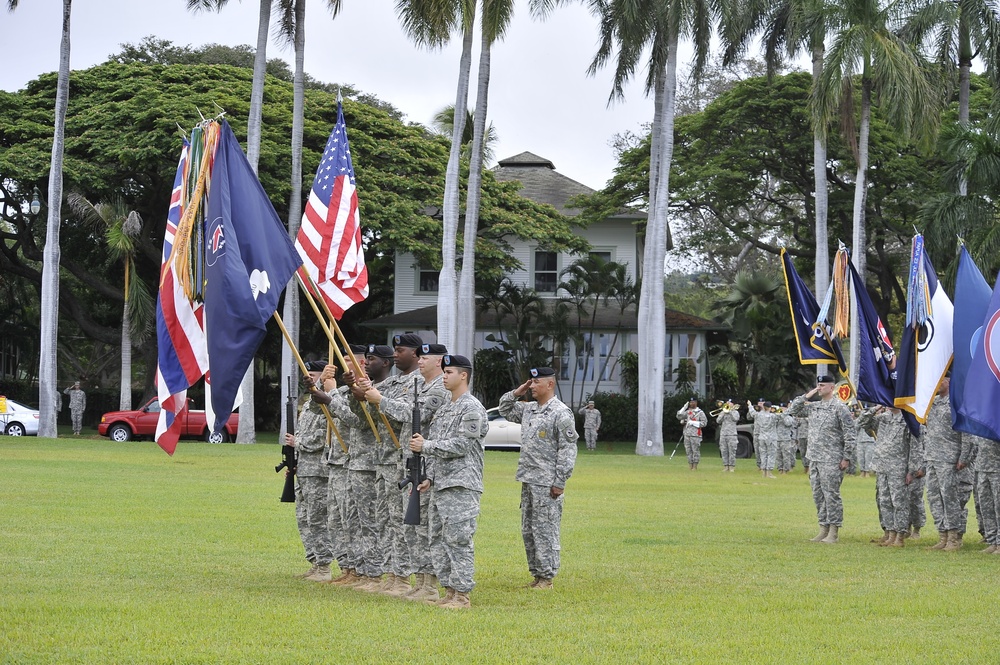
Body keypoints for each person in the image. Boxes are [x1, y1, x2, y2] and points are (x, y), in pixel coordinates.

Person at [366, 339, 450, 600]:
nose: (420, 360)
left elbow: (420, 413)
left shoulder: (439, 389)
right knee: (411, 526)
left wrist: (381, 400)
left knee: (424, 526)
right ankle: (420, 581)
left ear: (439, 361)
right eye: (420, 357)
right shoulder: (417, 384)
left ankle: (429, 585)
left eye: (427, 357)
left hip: (426, 463)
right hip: (408, 461)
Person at [408, 354, 487, 609]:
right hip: (441, 484)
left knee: (458, 539)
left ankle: (462, 595)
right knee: (438, 539)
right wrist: (428, 476)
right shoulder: (445, 409)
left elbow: (463, 445)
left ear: (463, 375)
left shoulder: (471, 408)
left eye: (449, 372)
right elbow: (437, 448)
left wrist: (426, 445)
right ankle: (450, 591)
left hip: (461, 485)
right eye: (443, 372)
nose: (444, 376)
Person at [499, 367, 579, 589]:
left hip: (547, 483)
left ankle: (547, 577)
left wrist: (560, 481)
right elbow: (505, 409)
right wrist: (518, 391)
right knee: (529, 530)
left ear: (550, 384)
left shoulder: (561, 413)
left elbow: (568, 449)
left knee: (545, 530)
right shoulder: (530, 409)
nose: (531, 386)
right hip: (528, 478)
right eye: (530, 382)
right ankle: (537, 575)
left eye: (535, 383)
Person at [786, 375, 856, 544]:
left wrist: (846, 457)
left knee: (831, 495)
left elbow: (850, 434)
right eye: (818, 384)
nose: (819, 387)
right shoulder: (815, 407)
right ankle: (823, 528)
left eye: (822, 385)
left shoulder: (840, 408)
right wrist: (807, 395)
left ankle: (833, 531)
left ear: (832, 388)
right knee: (818, 495)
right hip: (815, 458)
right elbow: (793, 410)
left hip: (832, 459)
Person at [285, 360, 336, 582]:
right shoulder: (309, 404)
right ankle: (314, 562)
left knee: (317, 518)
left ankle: (324, 566)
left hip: (318, 470)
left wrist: (298, 442)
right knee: (304, 518)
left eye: (314, 375)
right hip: (305, 468)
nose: (310, 379)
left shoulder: (327, 402)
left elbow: (321, 437)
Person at [920, 377, 974, 551]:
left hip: (950, 459)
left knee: (951, 498)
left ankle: (954, 538)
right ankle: (942, 535)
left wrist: (964, 457)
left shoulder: (956, 403)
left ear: (949, 381)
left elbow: (966, 432)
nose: (936, 383)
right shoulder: (933, 403)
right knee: (935, 498)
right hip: (933, 458)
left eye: (940, 379)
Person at [858, 406, 918, 547]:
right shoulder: (883, 418)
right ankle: (890, 534)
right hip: (882, 466)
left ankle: (900, 536)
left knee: (899, 502)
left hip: (899, 467)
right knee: (885, 501)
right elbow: (861, 422)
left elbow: (915, 447)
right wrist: (876, 407)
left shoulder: (908, 419)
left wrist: (912, 470)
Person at [969, 433, 1000, 553]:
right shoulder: (983, 419)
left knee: (998, 506)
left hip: (997, 468)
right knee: (986, 506)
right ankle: (992, 541)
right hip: (982, 467)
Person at [675, 397, 707, 470]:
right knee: (688, 450)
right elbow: (679, 416)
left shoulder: (700, 412)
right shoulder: (688, 412)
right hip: (687, 434)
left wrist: (693, 423)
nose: (692, 403)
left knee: (695, 450)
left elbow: (704, 423)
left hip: (695, 434)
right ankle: (690, 465)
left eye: (693, 402)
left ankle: (695, 466)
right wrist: (684, 408)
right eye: (690, 402)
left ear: (696, 403)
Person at [716, 401, 740, 472]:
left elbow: (736, 419)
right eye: (727, 403)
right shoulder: (723, 412)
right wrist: (723, 412)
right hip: (723, 434)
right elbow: (718, 421)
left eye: (730, 403)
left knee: (732, 451)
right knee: (724, 451)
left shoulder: (735, 412)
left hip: (732, 434)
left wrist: (730, 411)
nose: (728, 404)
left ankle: (731, 466)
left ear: (733, 404)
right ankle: (726, 466)